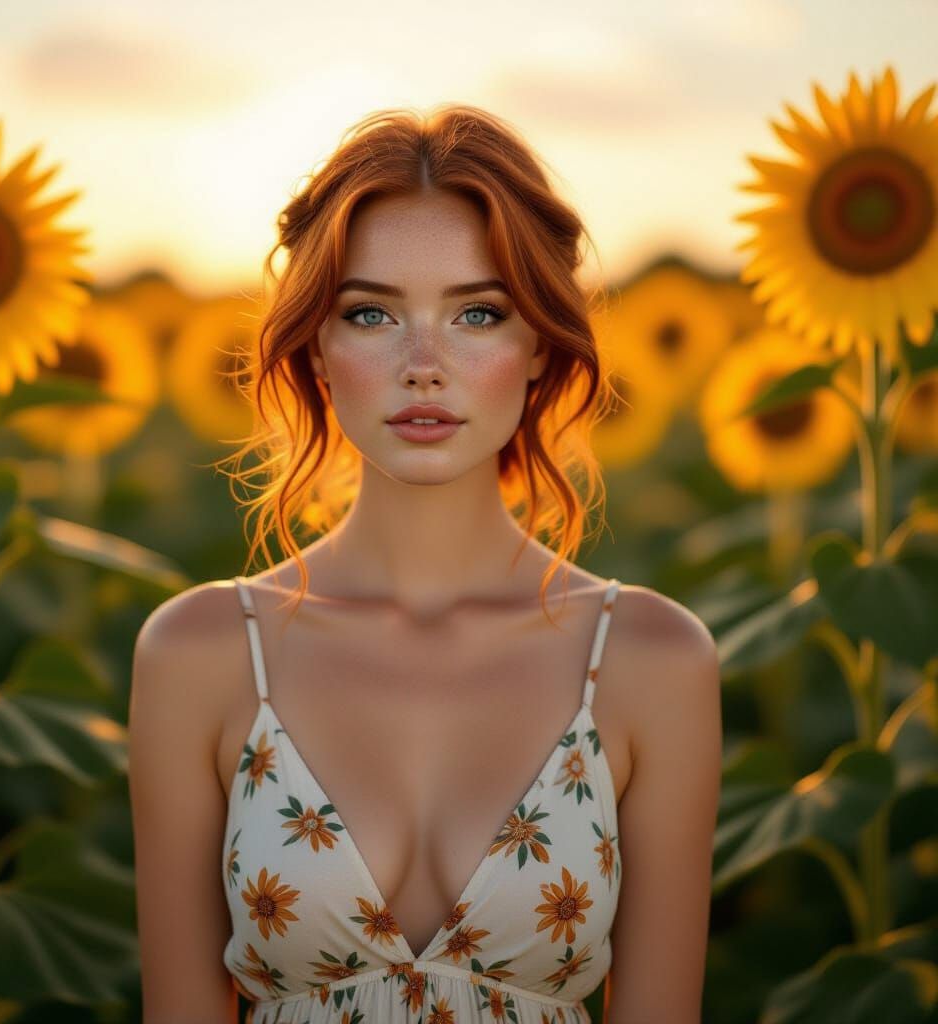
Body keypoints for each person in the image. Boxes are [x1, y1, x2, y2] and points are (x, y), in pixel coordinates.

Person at [128, 104, 721, 1024]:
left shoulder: (653, 661)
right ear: (317, 349)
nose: (423, 365)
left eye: (477, 313)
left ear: (537, 348)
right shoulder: (198, 654)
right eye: (371, 314)